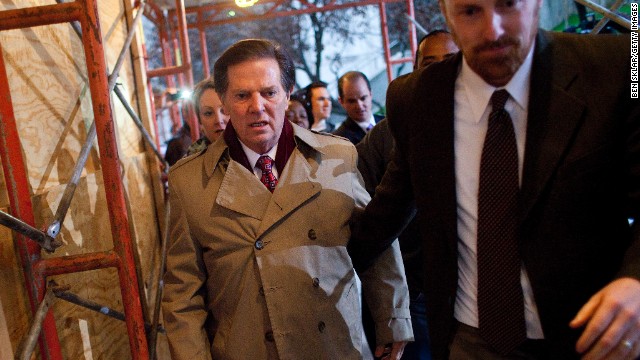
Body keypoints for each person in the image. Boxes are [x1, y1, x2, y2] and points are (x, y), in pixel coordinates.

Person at [351, 0, 640, 358]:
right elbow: (389, 209)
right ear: (446, 13)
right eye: (471, 11)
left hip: (593, 336)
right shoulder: (416, 98)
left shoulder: (621, 65)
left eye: (508, 5)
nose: (493, 30)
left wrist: (636, 280)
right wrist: (315, 263)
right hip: (469, 341)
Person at [162, 38, 413, 360]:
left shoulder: (338, 156)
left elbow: (378, 243)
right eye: (242, 95)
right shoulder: (190, 181)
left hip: (336, 344)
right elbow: (182, 294)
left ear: (287, 93)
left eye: (268, 92)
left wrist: (392, 318)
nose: (257, 106)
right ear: (223, 100)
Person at [355, 31, 459, 360]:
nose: (440, 72)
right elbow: (365, 202)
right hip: (415, 290)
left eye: (451, 62)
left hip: (476, 286)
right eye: (429, 64)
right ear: (414, 70)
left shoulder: (487, 124)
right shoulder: (387, 134)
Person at [333, 71, 383, 145]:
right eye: (351, 101)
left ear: (370, 94)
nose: (359, 105)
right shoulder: (339, 142)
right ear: (341, 102)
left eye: (363, 98)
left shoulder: (389, 123)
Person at [187, 77, 230, 155]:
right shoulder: (189, 165)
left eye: (224, 110)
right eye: (208, 113)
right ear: (200, 124)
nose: (218, 120)